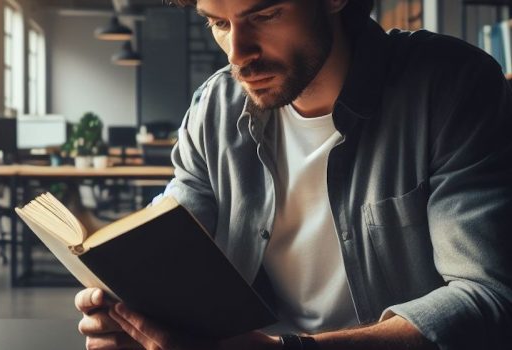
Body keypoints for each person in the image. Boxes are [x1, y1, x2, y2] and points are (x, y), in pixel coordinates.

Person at [75, 0, 512, 349]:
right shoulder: (214, 109)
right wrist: (128, 310)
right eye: (219, 24)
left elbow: (489, 298)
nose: (238, 56)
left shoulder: (451, 86)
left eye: (264, 15)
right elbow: (173, 233)